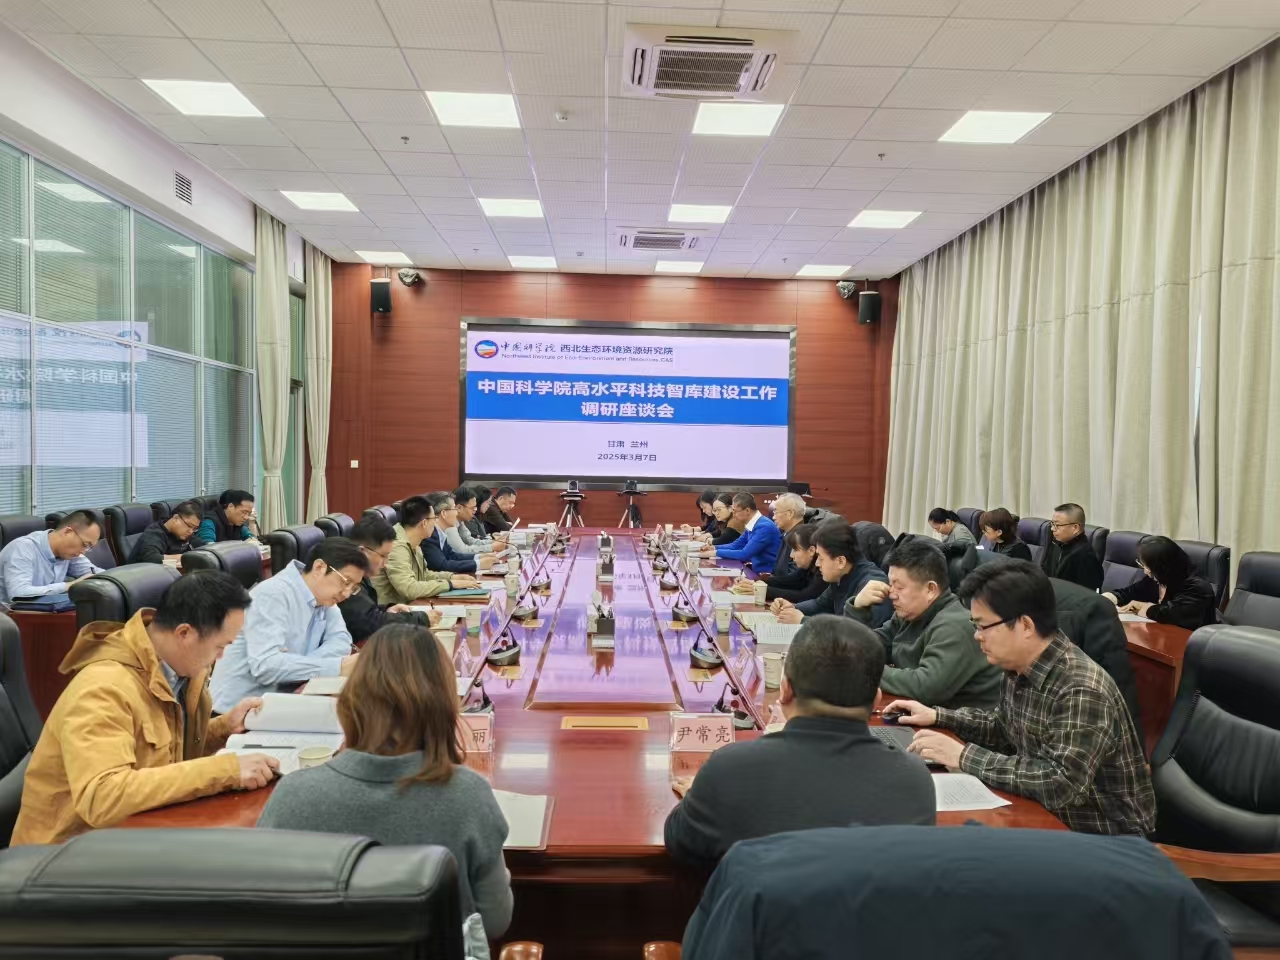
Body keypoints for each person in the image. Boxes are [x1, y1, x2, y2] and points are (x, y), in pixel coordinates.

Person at [258, 624, 512, 957]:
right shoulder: (468, 796)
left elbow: (265, 916)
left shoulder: (290, 797)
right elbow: (495, 920)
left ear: (352, 698)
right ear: (444, 703)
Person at [11, 571, 278, 846]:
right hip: (66, 852)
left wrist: (224, 727)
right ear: (184, 633)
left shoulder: (177, 669)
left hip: (135, 833)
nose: (220, 657)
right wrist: (225, 770)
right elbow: (102, 797)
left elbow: (164, 750)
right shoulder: (103, 688)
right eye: (220, 646)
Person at [890, 561, 1155, 836]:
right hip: (1047, 817)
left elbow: (1061, 784)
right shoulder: (1019, 666)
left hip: (1104, 837)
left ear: (1025, 625)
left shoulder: (1081, 688)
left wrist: (963, 756)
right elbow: (1002, 729)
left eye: (983, 626)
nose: (977, 636)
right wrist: (937, 716)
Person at [663, 615, 935, 869]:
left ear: (785, 690)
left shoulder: (730, 770)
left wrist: (701, 798)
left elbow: (681, 843)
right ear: (876, 700)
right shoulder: (914, 781)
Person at [210, 537, 367, 712]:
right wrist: (337, 666)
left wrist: (292, 664)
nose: (347, 593)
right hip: (237, 713)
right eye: (346, 582)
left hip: (284, 700)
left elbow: (342, 642)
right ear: (319, 568)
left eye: (353, 587)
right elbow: (266, 667)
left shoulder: (325, 598)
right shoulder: (273, 594)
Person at [846, 538, 1003, 710]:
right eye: (890, 585)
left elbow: (925, 687)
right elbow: (864, 648)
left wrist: (866, 669)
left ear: (930, 590)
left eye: (899, 587)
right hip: (924, 714)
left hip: (959, 724)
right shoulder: (909, 614)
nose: (891, 594)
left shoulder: (955, 626)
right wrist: (858, 608)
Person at [339, 514, 440, 643]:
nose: (385, 563)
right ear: (363, 551)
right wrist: (421, 619)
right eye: (383, 556)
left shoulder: (362, 573)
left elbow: (364, 611)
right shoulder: (346, 577)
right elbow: (369, 622)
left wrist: (387, 609)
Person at [772, 520, 893, 627]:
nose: (817, 563)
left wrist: (803, 620)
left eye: (821, 558)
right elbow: (820, 605)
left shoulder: (872, 586)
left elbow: (853, 632)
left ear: (840, 561)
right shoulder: (843, 574)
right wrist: (791, 608)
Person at [373, 496, 476, 606]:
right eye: (434, 518)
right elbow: (409, 589)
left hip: (411, 606)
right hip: (392, 611)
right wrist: (450, 584)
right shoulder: (396, 546)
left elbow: (423, 575)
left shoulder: (413, 539)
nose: (436, 522)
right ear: (424, 523)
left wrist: (452, 577)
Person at [1104, 536, 1220, 630]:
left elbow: (1171, 615)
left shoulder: (1196, 587)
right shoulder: (1159, 579)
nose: (1145, 571)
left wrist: (1143, 607)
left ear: (1161, 568)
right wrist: (1105, 599)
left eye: (1146, 566)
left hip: (1193, 643)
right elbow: (1131, 592)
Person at [0, 509, 104, 602]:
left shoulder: (68, 552)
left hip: (46, 612)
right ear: (67, 532)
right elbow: (19, 593)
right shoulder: (22, 548)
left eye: (89, 548)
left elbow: (95, 573)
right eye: (85, 545)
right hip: (9, 614)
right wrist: (71, 586)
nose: (84, 551)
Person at [705, 493, 782, 574]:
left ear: (747, 511)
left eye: (735, 511)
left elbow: (744, 554)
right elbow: (735, 545)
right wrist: (713, 548)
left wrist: (714, 553)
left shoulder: (764, 527)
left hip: (767, 576)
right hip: (756, 572)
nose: (733, 515)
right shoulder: (752, 524)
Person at [424, 492, 496, 575]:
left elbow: (452, 556)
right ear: (444, 513)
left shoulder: (440, 532)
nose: (457, 512)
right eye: (454, 508)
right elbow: (442, 565)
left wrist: (479, 557)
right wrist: (478, 564)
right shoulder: (430, 536)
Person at [1040, 502, 1104, 591]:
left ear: (1075, 528)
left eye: (1057, 525)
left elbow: (1087, 594)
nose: (1052, 529)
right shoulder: (1056, 543)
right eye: (1052, 524)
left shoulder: (1085, 556)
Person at [127, 500, 208, 565]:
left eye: (194, 528)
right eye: (189, 526)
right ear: (176, 518)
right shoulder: (154, 533)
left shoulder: (186, 534)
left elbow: (204, 546)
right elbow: (151, 558)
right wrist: (184, 559)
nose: (191, 531)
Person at [762, 523, 825, 605]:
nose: (791, 556)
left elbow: (805, 596)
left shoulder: (823, 570)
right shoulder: (808, 566)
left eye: (795, 550)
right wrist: (759, 582)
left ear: (811, 551)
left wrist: (763, 590)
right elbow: (790, 581)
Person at [449, 486, 504, 556]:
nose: (475, 510)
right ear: (459, 508)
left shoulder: (460, 522)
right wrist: (491, 547)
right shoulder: (450, 524)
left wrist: (493, 542)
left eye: (475, 507)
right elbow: (462, 550)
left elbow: (470, 541)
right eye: (472, 508)